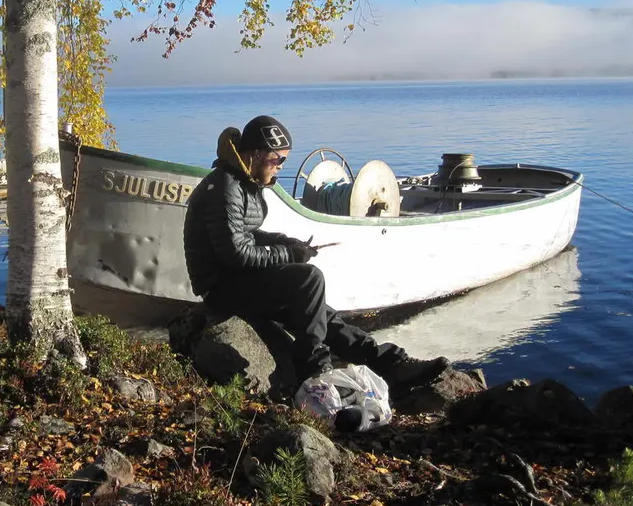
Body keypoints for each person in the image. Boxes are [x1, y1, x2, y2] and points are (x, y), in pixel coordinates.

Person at [182, 114, 450, 391]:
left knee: (319, 311)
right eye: (277, 160)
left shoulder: (243, 181)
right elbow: (236, 254)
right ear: (256, 154)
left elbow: (246, 234)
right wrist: (291, 255)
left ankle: (390, 364)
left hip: (240, 280)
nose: (279, 167)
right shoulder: (225, 188)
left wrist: (285, 241)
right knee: (309, 279)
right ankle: (314, 370)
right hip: (221, 289)